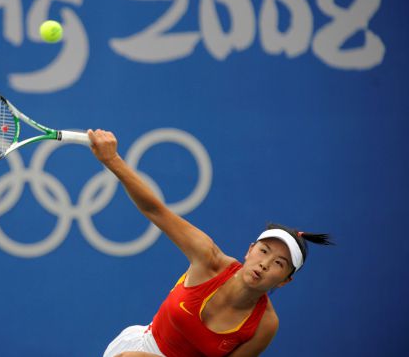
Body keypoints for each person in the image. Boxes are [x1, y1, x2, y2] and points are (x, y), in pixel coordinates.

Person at [87, 129, 334, 357]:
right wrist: (112, 160)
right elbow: (155, 210)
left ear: (285, 280)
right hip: (140, 347)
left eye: (279, 263)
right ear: (250, 250)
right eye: (263, 251)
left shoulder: (265, 324)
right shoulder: (208, 258)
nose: (265, 264)